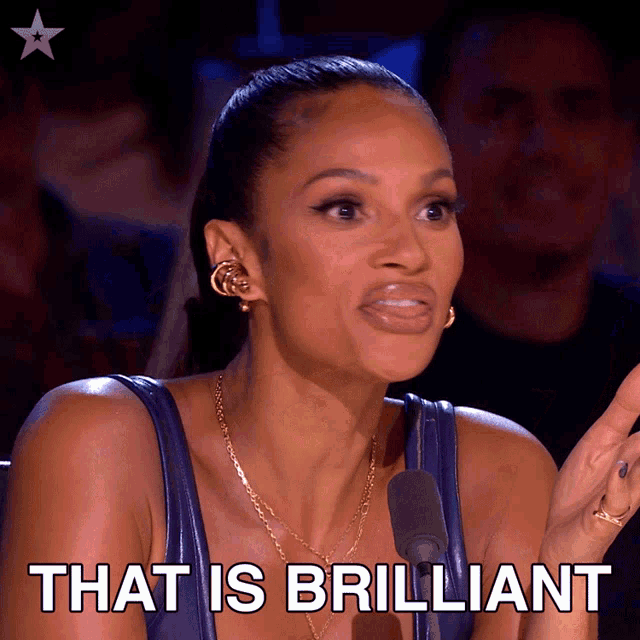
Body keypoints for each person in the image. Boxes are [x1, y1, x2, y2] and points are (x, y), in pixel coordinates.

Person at [1, 55, 640, 640]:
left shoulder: (502, 472)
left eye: (433, 209)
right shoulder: (99, 443)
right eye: (345, 208)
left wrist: (568, 571)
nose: (410, 252)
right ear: (238, 258)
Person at [385, 11, 640, 637]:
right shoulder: (370, 371)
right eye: (502, 109)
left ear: (622, 146)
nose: (542, 145)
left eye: (577, 108)